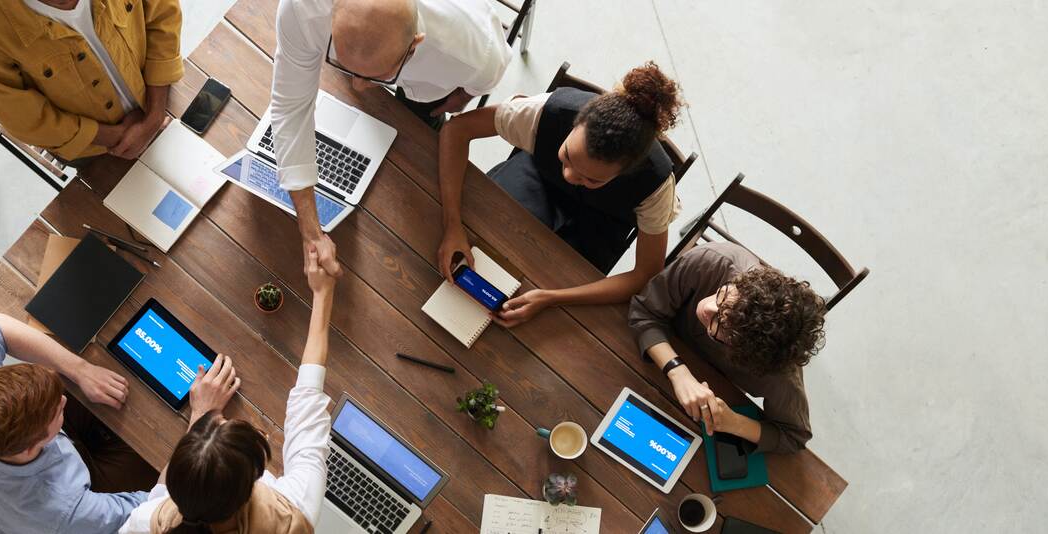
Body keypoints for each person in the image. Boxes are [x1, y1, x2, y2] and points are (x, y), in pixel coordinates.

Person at [270, 0, 512, 280]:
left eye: (373, 76)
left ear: (414, 45)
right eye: (344, 62)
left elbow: (483, 79)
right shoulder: (302, 8)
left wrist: (464, 95)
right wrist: (311, 230)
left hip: (432, 86)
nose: (358, 86)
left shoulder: (475, 54)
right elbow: (291, 108)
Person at [436, 61, 684, 327]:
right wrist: (452, 224)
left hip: (603, 222)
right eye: (567, 156)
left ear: (626, 172)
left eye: (591, 178)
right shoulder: (546, 112)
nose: (570, 176)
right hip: (538, 177)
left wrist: (551, 298)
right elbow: (456, 130)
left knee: (554, 295)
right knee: (485, 238)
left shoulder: (655, 185)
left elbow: (646, 273)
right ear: (576, 123)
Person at [119, 250, 337, 534]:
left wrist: (200, 414)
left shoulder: (150, 522)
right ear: (252, 485)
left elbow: (159, 495)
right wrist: (323, 294)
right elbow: (307, 415)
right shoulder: (292, 514)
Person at [0, 313, 159, 534]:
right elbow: (154, 512)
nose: (63, 400)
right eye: (56, 411)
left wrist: (81, 369)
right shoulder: (66, 512)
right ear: (33, 447)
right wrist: (194, 429)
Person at [628, 242, 828, 453]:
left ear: (744, 352)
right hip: (648, 359)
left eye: (720, 324)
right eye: (723, 296)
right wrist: (679, 373)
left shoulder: (779, 372)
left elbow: (794, 436)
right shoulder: (712, 261)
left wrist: (733, 422)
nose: (708, 307)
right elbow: (644, 311)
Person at [0, 0, 184, 162]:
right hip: (96, 149)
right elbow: (26, 120)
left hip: (159, 95)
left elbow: (163, 16)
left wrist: (154, 115)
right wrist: (118, 137)